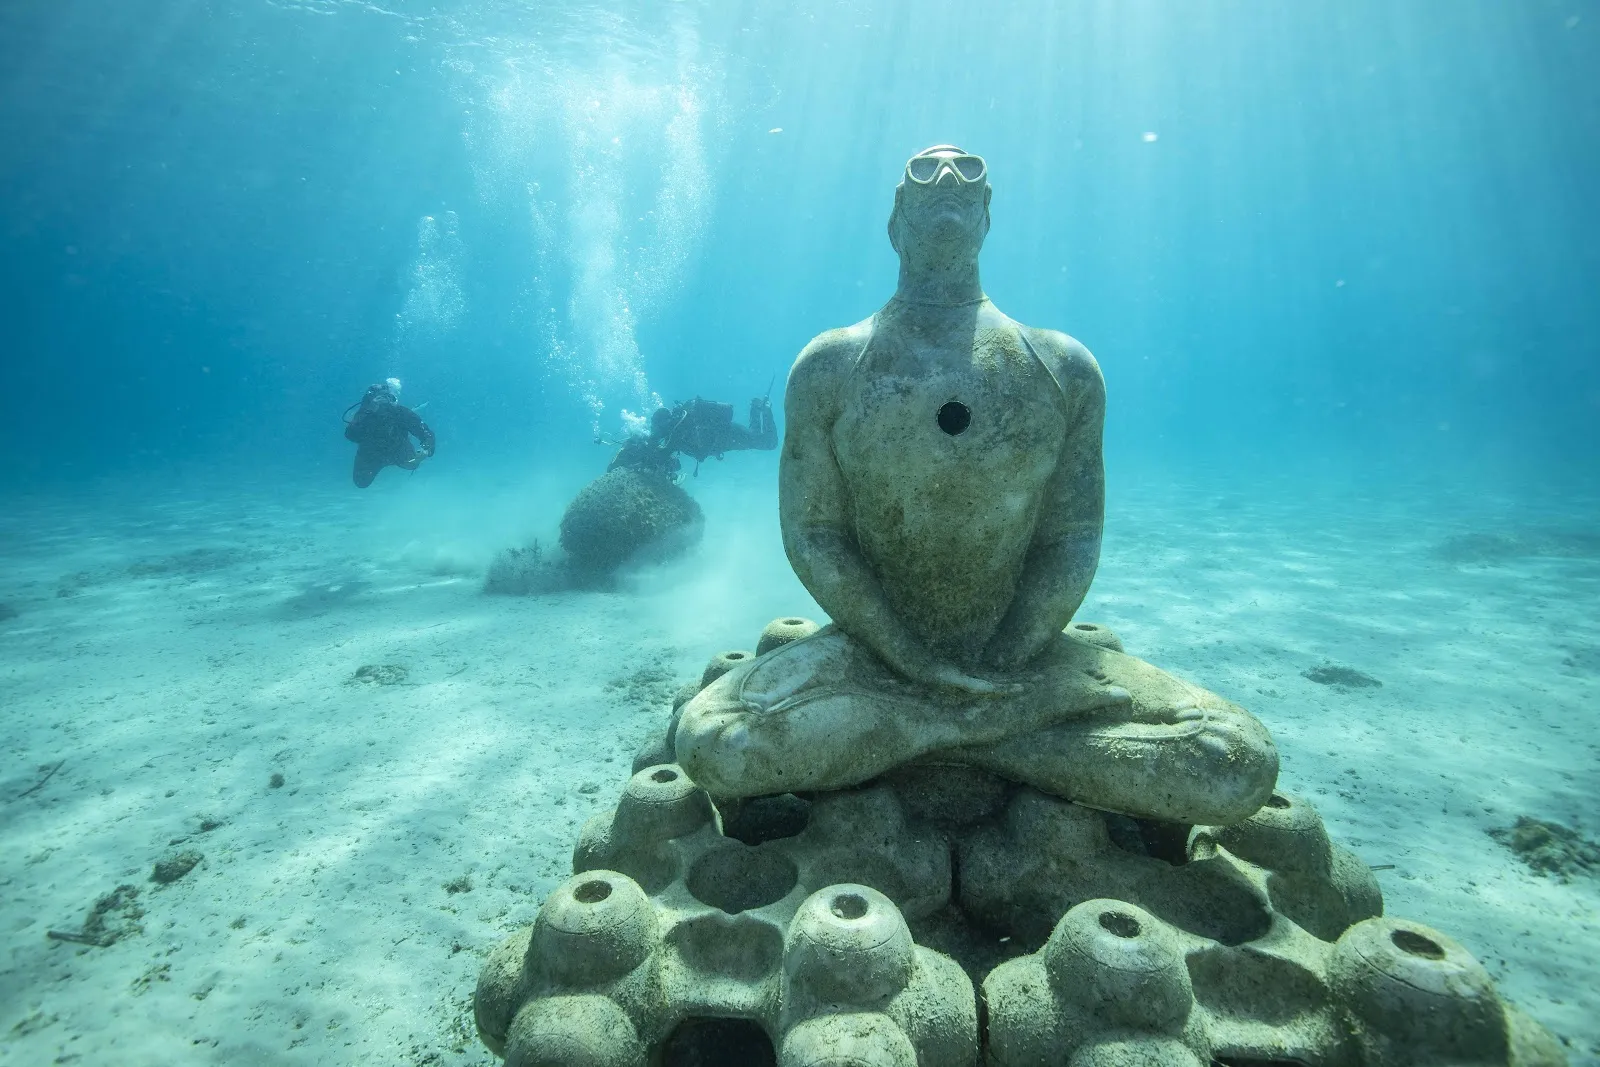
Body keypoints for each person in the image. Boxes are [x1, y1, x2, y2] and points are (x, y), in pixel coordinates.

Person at [674, 146, 1278, 827]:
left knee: (1235, 755)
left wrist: (1012, 655)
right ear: (894, 224)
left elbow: (1072, 540)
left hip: (1019, 661)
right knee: (716, 737)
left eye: (968, 172)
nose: (949, 180)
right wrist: (904, 654)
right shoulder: (831, 367)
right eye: (925, 175)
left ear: (988, 218)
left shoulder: (1063, 368)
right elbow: (814, 536)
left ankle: (914, 741)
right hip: (878, 660)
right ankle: (1004, 741)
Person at [606, 395, 776, 477]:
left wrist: (642, 448)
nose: (656, 432)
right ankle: (755, 407)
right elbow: (670, 459)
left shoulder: (679, 428)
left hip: (727, 435)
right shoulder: (677, 430)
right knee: (756, 438)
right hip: (725, 440)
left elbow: (663, 454)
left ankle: (765, 408)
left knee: (768, 443)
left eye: (657, 428)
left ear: (665, 422)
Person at [342, 378, 435, 488]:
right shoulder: (366, 413)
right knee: (361, 482)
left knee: (412, 464)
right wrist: (369, 411)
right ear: (371, 400)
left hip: (398, 449)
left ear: (393, 398)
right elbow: (350, 435)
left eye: (387, 398)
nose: (384, 403)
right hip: (371, 453)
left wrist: (425, 450)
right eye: (380, 398)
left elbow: (426, 433)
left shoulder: (400, 412)